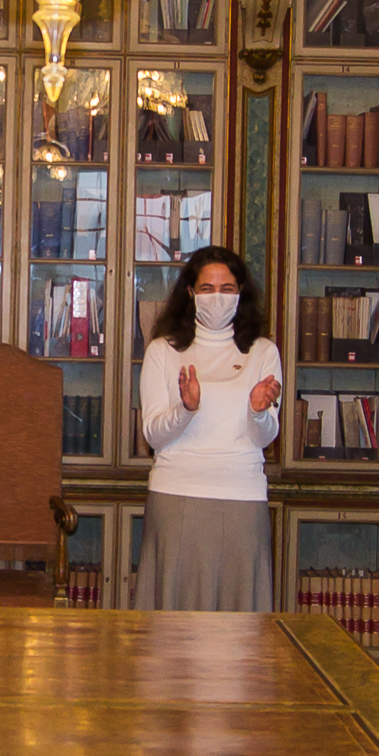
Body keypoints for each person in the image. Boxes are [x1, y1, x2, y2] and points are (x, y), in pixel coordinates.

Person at [135, 245, 283, 611]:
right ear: (190, 292)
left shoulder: (263, 352)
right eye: (207, 288)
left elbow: (265, 437)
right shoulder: (162, 351)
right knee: (174, 622)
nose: (217, 297)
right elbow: (153, 435)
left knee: (239, 620)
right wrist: (186, 409)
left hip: (242, 497)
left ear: (240, 292)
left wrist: (258, 411)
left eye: (227, 289)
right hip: (177, 494)